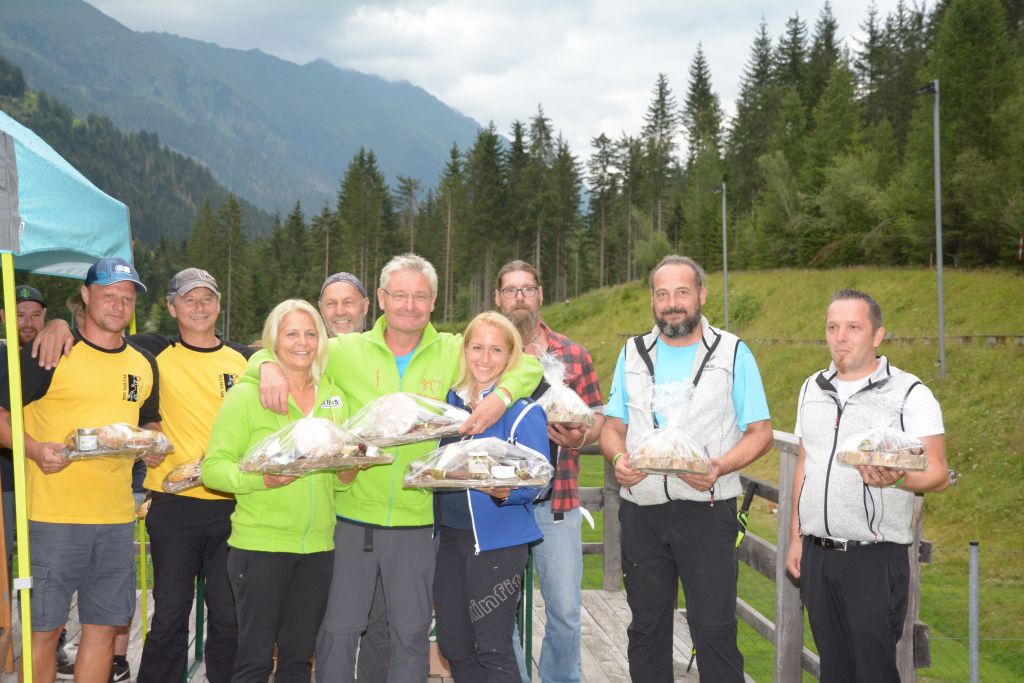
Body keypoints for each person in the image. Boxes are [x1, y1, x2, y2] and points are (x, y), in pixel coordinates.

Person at [251, 253, 542, 682]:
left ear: (434, 301)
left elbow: (526, 363)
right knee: (338, 632)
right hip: (350, 517)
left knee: (410, 637)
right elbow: (285, 349)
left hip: (418, 522)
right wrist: (265, 367)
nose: (409, 305)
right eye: (400, 295)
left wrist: (501, 396)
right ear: (382, 298)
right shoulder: (346, 350)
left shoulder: (452, 350)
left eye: (420, 296)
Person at [600, 254, 773, 682]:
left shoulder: (732, 352)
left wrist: (720, 466)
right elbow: (613, 427)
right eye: (662, 294)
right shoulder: (633, 352)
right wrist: (619, 460)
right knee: (646, 628)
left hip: (707, 510)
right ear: (652, 300)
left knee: (714, 629)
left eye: (682, 292)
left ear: (701, 295)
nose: (672, 303)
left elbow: (761, 432)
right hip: (641, 512)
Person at [0, 257, 166, 683]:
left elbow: (150, 421)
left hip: (115, 518)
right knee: (43, 632)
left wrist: (152, 444)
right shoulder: (51, 350)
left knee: (103, 629)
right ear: (86, 296)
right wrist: (34, 450)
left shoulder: (143, 363)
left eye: (126, 298)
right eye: (108, 295)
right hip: (53, 517)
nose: (118, 305)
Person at [784, 289, 949, 682]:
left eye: (853, 327)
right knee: (833, 670)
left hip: (873, 559)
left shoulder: (910, 393)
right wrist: (795, 538)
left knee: (874, 672)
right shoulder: (812, 388)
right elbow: (806, 463)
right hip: (818, 555)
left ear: (877, 335)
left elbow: (939, 473)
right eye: (833, 327)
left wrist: (899, 478)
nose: (840, 337)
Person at [202, 299, 350, 682]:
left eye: (310, 333)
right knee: (254, 660)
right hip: (261, 548)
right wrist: (260, 480)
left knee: (298, 661)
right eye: (291, 334)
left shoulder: (334, 396)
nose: (302, 343)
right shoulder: (247, 396)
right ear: (274, 340)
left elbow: (338, 477)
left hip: (318, 549)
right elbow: (213, 468)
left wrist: (351, 468)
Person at [493, 260, 604, 683]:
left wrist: (580, 436)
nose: (519, 297)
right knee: (500, 612)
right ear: (498, 298)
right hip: (500, 504)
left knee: (566, 613)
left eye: (527, 289)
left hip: (557, 505)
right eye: (510, 290)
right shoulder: (487, 351)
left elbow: (599, 418)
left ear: (540, 295)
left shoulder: (573, 354)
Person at [433, 312, 551, 682]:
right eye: (477, 348)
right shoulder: (448, 404)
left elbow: (541, 479)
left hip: (498, 540)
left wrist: (508, 491)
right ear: (464, 350)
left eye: (496, 350)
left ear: (510, 356)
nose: (485, 358)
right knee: (453, 643)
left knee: (493, 647)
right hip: (449, 537)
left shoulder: (522, 410)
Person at [317, 271, 391, 682]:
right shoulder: (310, 353)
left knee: (381, 622)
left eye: (349, 302)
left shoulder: (387, 354)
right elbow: (262, 359)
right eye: (331, 303)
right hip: (324, 516)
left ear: (367, 305)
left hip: (384, 515)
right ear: (321, 310)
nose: (340, 311)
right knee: (334, 623)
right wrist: (267, 367)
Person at [0, 284, 47, 563]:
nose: (28, 323)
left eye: (35, 315)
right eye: (19, 315)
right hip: (5, 479)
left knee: (44, 560)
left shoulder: (54, 356)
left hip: (45, 477)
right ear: (3, 316)